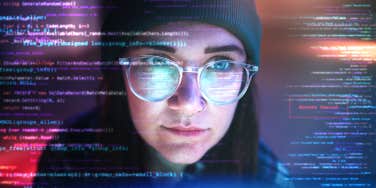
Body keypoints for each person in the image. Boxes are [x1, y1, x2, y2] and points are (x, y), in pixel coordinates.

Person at [34, 0, 292, 187]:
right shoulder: (69, 161)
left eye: (221, 65)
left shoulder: (267, 178)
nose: (189, 104)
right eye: (157, 63)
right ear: (118, 73)